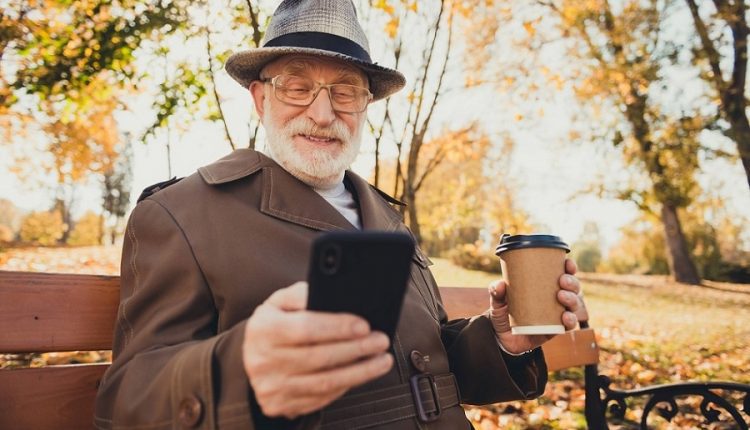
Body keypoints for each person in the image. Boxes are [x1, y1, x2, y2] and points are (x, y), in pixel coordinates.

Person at [94, 0, 587, 429]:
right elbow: (127, 402)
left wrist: (504, 341)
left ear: (365, 105)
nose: (323, 113)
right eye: (296, 86)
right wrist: (240, 367)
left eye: (345, 91)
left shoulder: (389, 219)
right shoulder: (181, 213)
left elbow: (428, 364)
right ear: (260, 99)